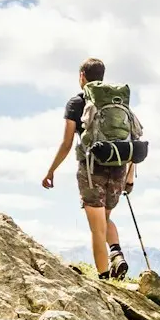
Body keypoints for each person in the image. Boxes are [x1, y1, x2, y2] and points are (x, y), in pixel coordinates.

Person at [43, 56, 135, 278]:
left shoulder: (76, 103)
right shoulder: (117, 102)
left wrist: (51, 170)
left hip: (91, 169)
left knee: (97, 228)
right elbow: (131, 139)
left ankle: (104, 278)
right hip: (118, 166)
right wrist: (129, 177)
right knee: (104, 219)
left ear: (82, 76)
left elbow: (66, 143)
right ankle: (116, 254)